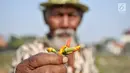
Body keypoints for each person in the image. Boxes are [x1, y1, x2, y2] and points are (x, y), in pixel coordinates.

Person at [9, 0, 98, 73]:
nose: (65, 24)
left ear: (80, 19)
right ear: (45, 18)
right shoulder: (28, 51)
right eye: (58, 15)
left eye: (72, 15)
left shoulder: (86, 53)